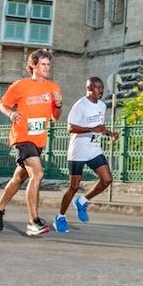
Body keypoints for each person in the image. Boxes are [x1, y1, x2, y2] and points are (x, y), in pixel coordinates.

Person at [0, 49, 62, 236]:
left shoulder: (53, 87)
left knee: (19, 178)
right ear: (33, 66)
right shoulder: (20, 85)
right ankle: (33, 222)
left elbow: (56, 118)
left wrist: (59, 105)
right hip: (22, 137)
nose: (47, 68)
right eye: (43, 64)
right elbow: (3, 104)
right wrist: (11, 113)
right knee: (38, 174)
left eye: (48, 65)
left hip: (39, 140)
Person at [53, 76, 116, 233]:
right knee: (74, 186)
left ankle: (82, 201)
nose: (101, 90)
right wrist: (92, 129)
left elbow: (98, 126)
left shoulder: (102, 105)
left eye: (102, 87)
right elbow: (70, 128)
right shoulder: (80, 105)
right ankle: (60, 217)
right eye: (97, 87)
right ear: (89, 88)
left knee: (107, 180)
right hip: (78, 151)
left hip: (94, 149)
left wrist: (108, 133)